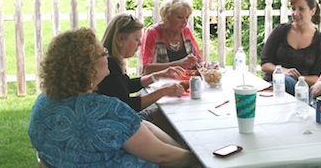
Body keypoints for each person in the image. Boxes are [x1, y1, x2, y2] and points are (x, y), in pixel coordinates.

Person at [28, 28, 199, 167]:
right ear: (88, 68)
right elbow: (163, 156)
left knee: (145, 124)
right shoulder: (107, 110)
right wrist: (200, 159)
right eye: (102, 53)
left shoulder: (43, 102)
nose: (107, 57)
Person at [98, 13, 185, 123]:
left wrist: (159, 75)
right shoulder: (109, 66)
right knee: (169, 115)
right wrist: (163, 91)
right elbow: (128, 105)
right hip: (117, 124)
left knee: (166, 113)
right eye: (136, 39)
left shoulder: (112, 62)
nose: (140, 44)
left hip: (118, 119)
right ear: (120, 38)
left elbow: (128, 85)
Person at [260, 0, 321, 95]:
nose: (296, 13)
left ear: (312, 11)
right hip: (273, 84)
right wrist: (282, 71)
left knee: (286, 81)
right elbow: (265, 64)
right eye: (293, 9)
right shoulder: (280, 31)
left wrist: (299, 78)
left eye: (301, 9)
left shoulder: (320, 41)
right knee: (282, 80)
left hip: (301, 91)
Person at [142, 0, 204, 74]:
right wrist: (178, 64)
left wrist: (203, 66)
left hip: (184, 83)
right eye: (180, 17)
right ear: (167, 16)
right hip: (159, 85)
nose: (185, 22)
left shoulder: (186, 32)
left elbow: (200, 62)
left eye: (187, 17)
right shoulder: (153, 33)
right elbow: (147, 69)